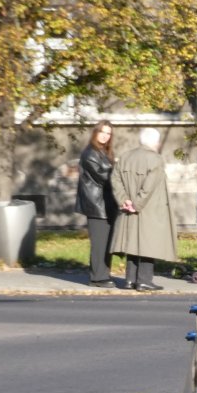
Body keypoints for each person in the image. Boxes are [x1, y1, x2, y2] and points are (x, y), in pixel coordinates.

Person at [110, 127, 177, 292]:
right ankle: (144, 280)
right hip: (149, 208)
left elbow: (115, 179)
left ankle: (129, 280)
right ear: (155, 141)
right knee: (149, 244)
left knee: (132, 242)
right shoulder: (155, 159)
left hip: (128, 207)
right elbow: (149, 186)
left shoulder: (125, 157)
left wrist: (124, 200)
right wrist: (137, 204)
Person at [75, 120, 118, 287]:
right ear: (95, 133)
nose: (105, 136)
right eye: (102, 132)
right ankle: (97, 277)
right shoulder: (90, 154)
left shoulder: (103, 152)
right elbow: (104, 177)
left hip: (106, 203)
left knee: (107, 242)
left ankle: (103, 274)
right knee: (100, 242)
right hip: (96, 205)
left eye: (108, 133)